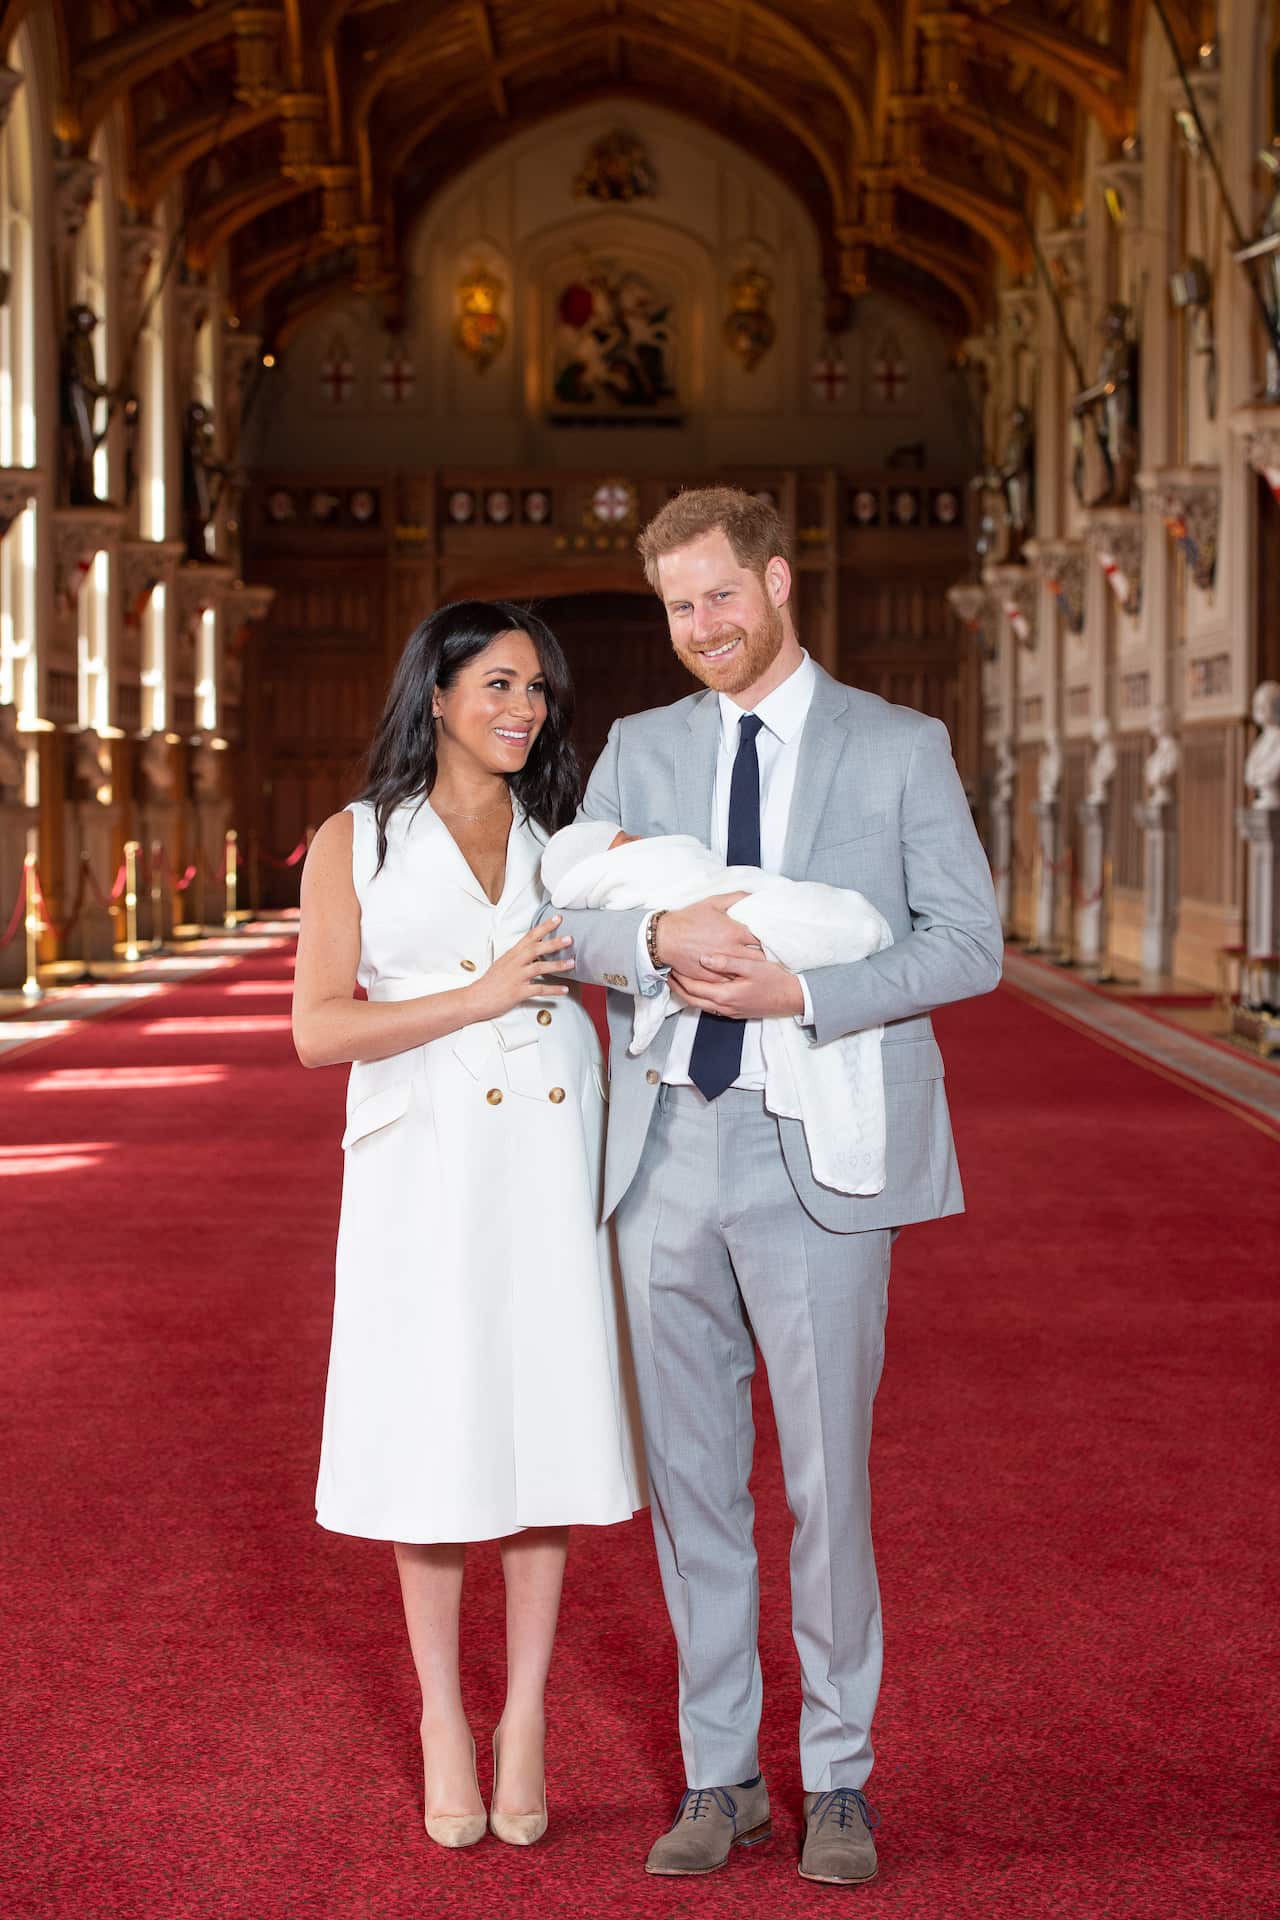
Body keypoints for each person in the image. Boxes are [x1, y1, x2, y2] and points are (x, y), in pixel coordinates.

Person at [555, 488, 1003, 1887]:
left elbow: (968, 945)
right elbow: (569, 917)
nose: (702, 629)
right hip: (667, 1152)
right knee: (692, 1484)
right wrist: (658, 935)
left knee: (826, 1486)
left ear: (778, 581)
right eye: (679, 609)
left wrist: (803, 986)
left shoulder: (899, 745)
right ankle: (721, 1774)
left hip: (821, 1147)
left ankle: (842, 1779)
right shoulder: (638, 748)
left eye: (719, 597)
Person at [291, 600, 644, 1853]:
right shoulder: (357, 841)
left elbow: (641, 942)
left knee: (541, 1424)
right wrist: (477, 993)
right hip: (423, 1164)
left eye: (537, 690)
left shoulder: (569, 841)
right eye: (497, 683)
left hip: (550, 1151)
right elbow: (319, 1029)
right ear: (434, 695)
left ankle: (528, 1716)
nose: (521, 709)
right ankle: (447, 1713)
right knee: (438, 1436)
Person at [541, 819, 893, 1196]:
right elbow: (552, 927)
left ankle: (853, 926)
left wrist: (801, 994)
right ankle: (852, 927)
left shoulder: (906, 757)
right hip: (663, 1120)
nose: (641, 840)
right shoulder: (624, 783)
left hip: (789, 1111)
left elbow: (961, 938)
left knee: (805, 916)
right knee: (797, 923)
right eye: (627, 841)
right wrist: (657, 938)